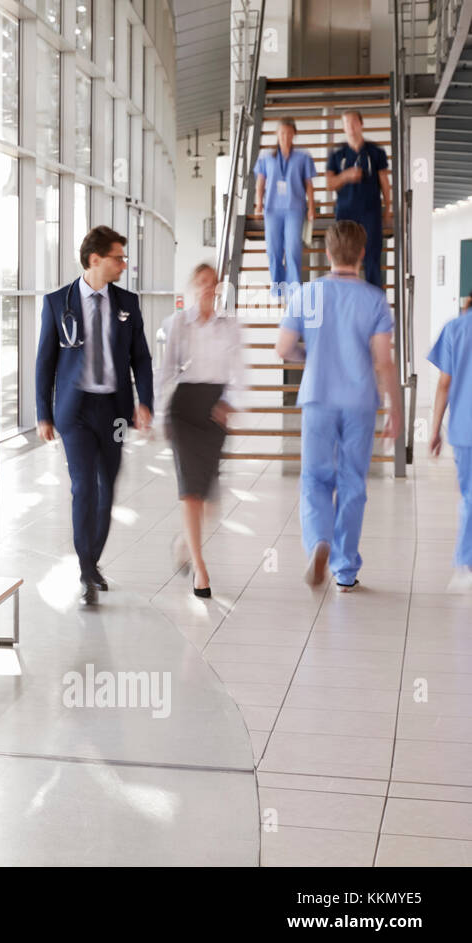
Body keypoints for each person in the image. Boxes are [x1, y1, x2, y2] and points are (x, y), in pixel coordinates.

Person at [276, 221, 402, 591]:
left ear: (328, 253)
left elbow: (283, 349)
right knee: (352, 482)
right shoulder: (374, 299)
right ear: (363, 253)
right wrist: (395, 408)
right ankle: (345, 569)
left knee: (315, 477)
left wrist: (310, 356)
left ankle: (319, 541)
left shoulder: (306, 294)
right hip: (360, 401)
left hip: (318, 396)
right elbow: (383, 361)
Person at [36, 225, 154, 606]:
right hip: (76, 411)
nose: (123, 264)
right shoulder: (58, 302)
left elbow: (141, 358)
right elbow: (45, 363)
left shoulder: (127, 303)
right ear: (95, 260)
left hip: (115, 412)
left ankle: (91, 561)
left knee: (106, 490)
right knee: (83, 487)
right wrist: (43, 414)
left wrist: (145, 402)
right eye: (118, 257)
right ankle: (87, 568)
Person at [157, 263, 241, 598]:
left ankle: (184, 542)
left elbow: (239, 370)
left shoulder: (229, 327)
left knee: (207, 497)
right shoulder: (178, 323)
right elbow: (165, 369)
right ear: (193, 286)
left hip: (214, 410)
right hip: (184, 409)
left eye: (213, 284)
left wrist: (230, 403)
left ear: (218, 288)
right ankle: (200, 570)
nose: (207, 288)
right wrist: (154, 409)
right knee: (191, 491)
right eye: (202, 283)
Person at [428, 302, 472, 591]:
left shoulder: (457, 328)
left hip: (465, 428)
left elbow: (445, 383)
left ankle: (465, 563)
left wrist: (434, 429)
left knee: (470, 496)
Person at [325, 110, 392, 289]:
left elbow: (385, 181)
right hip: (345, 212)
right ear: (343, 127)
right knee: (343, 257)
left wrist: (388, 208)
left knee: (372, 256)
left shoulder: (375, 152)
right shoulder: (337, 154)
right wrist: (345, 176)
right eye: (346, 123)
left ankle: (374, 300)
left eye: (354, 122)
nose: (351, 127)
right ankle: (343, 294)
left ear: (361, 124)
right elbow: (330, 184)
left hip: (371, 210)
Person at [253, 117, 317, 299]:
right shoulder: (266, 157)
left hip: (294, 209)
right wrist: (259, 203)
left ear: (294, 134)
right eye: (282, 133)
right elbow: (260, 183)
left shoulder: (303, 157)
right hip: (272, 210)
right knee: (273, 250)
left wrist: (311, 207)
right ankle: (278, 287)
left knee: (293, 249)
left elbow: (309, 184)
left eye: (289, 133)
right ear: (277, 134)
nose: (285, 136)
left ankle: (294, 287)